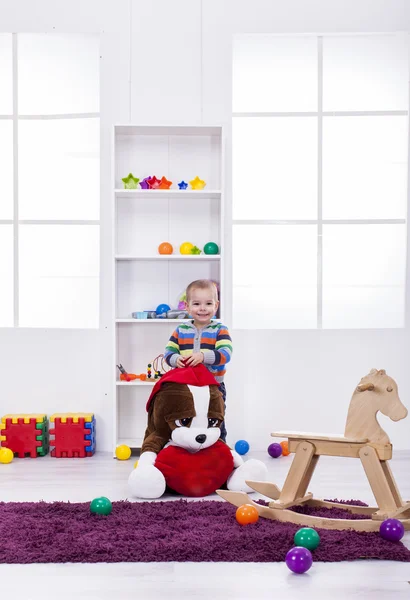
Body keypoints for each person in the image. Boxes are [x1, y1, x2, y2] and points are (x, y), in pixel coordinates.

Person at [164, 279, 232, 442]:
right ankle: (186, 451)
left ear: (216, 306)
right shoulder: (181, 330)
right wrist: (176, 359)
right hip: (187, 387)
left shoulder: (220, 330)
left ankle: (219, 449)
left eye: (208, 303)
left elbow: (226, 353)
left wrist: (203, 356)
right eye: (196, 304)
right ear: (187, 307)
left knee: (214, 421)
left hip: (213, 386)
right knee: (187, 420)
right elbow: (168, 352)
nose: (202, 308)